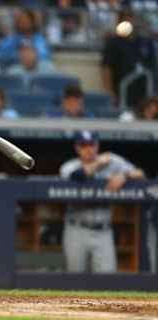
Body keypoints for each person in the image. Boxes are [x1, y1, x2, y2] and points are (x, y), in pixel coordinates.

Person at [60, 130, 145, 273]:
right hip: (76, 229)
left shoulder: (112, 161)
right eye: (84, 145)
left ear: (97, 145)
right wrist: (99, 163)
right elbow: (76, 176)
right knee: (74, 279)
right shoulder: (70, 166)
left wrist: (125, 175)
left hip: (103, 231)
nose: (88, 149)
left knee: (107, 280)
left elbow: (141, 174)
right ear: (77, 148)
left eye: (91, 145)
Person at [101, 11, 156, 107]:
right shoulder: (113, 43)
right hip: (122, 92)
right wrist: (110, 93)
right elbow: (106, 69)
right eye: (126, 20)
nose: (130, 23)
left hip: (144, 93)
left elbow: (153, 68)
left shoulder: (146, 42)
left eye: (132, 19)